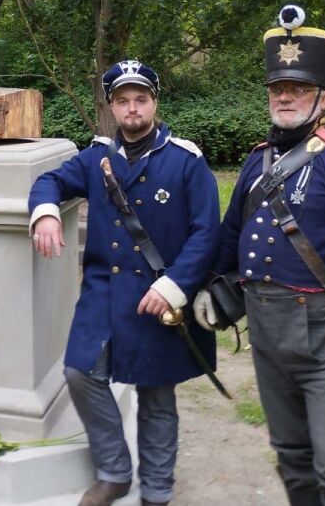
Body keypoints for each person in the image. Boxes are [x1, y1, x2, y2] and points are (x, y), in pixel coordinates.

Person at [195, 6, 325, 506]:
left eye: (297, 88)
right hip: (267, 333)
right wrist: (211, 285)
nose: (285, 96)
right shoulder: (257, 162)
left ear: (324, 98)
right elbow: (232, 234)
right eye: (277, 88)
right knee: (291, 454)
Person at [29, 60, 221, 506]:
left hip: (161, 296)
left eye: (140, 99)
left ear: (154, 102)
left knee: (156, 394)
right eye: (122, 101)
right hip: (104, 294)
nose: (132, 108)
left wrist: (176, 285)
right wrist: (46, 212)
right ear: (112, 107)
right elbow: (50, 181)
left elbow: (207, 231)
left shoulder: (186, 162)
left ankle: (157, 490)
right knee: (80, 372)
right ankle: (114, 471)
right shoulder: (96, 158)